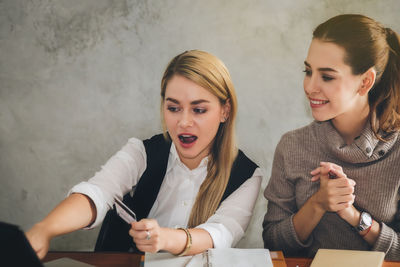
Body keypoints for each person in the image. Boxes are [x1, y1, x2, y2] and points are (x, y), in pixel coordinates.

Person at [26, 50, 262, 259]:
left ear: (225, 111)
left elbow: (220, 234)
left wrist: (166, 238)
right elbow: (98, 192)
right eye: (173, 108)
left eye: (199, 110)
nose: (183, 122)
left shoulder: (247, 175)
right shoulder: (141, 152)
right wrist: (45, 229)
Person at [262, 14, 400, 260]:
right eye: (308, 71)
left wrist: (354, 216)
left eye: (327, 76)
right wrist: (318, 204)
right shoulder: (292, 145)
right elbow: (272, 242)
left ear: (365, 81)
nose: (309, 86)